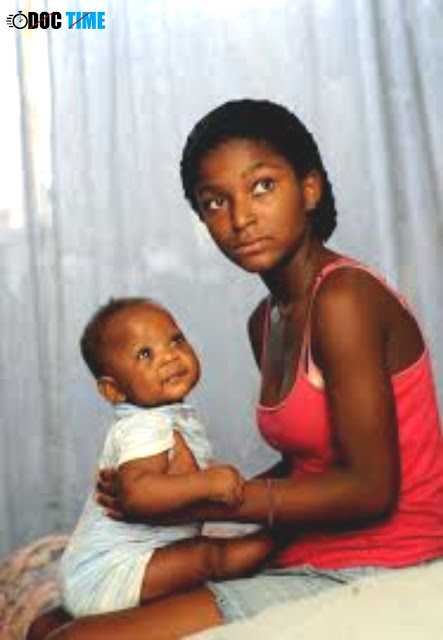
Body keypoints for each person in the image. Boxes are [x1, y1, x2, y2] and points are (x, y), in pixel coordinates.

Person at [28, 99, 443, 640]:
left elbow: (370, 490)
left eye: (262, 186)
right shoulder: (265, 320)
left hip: (381, 560)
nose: (240, 218)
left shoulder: (344, 299)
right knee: (44, 625)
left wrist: (210, 498)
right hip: (307, 546)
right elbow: (308, 465)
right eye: (215, 202)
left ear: (310, 189)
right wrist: (175, 496)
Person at [58, 297, 272, 617]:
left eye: (176, 340)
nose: (170, 356)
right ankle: (278, 539)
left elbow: (173, 478)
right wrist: (208, 482)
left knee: (193, 556)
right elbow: (136, 494)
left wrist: (205, 478)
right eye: (145, 354)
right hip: (110, 572)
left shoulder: (167, 418)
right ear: (113, 390)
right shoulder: (145, 425)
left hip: (120, 566)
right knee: (206, 556)